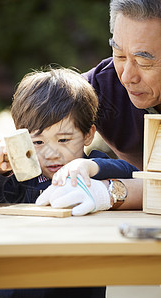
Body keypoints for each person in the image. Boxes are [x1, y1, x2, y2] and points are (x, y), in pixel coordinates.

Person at [0, 67, 139, 298]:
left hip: (76, 292)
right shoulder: (16, 177)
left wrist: (91, 167)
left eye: (63, 139)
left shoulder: (89, 171)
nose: (51, 153)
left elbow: (132, 173)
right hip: (15, 292)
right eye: (38, 141)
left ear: (88, 134)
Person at [82, 0, 161, 172]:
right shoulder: (102, 86)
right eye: (119, 55)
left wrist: (112, 189)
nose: (126, 77)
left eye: (143, 62)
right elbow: (52, 98)